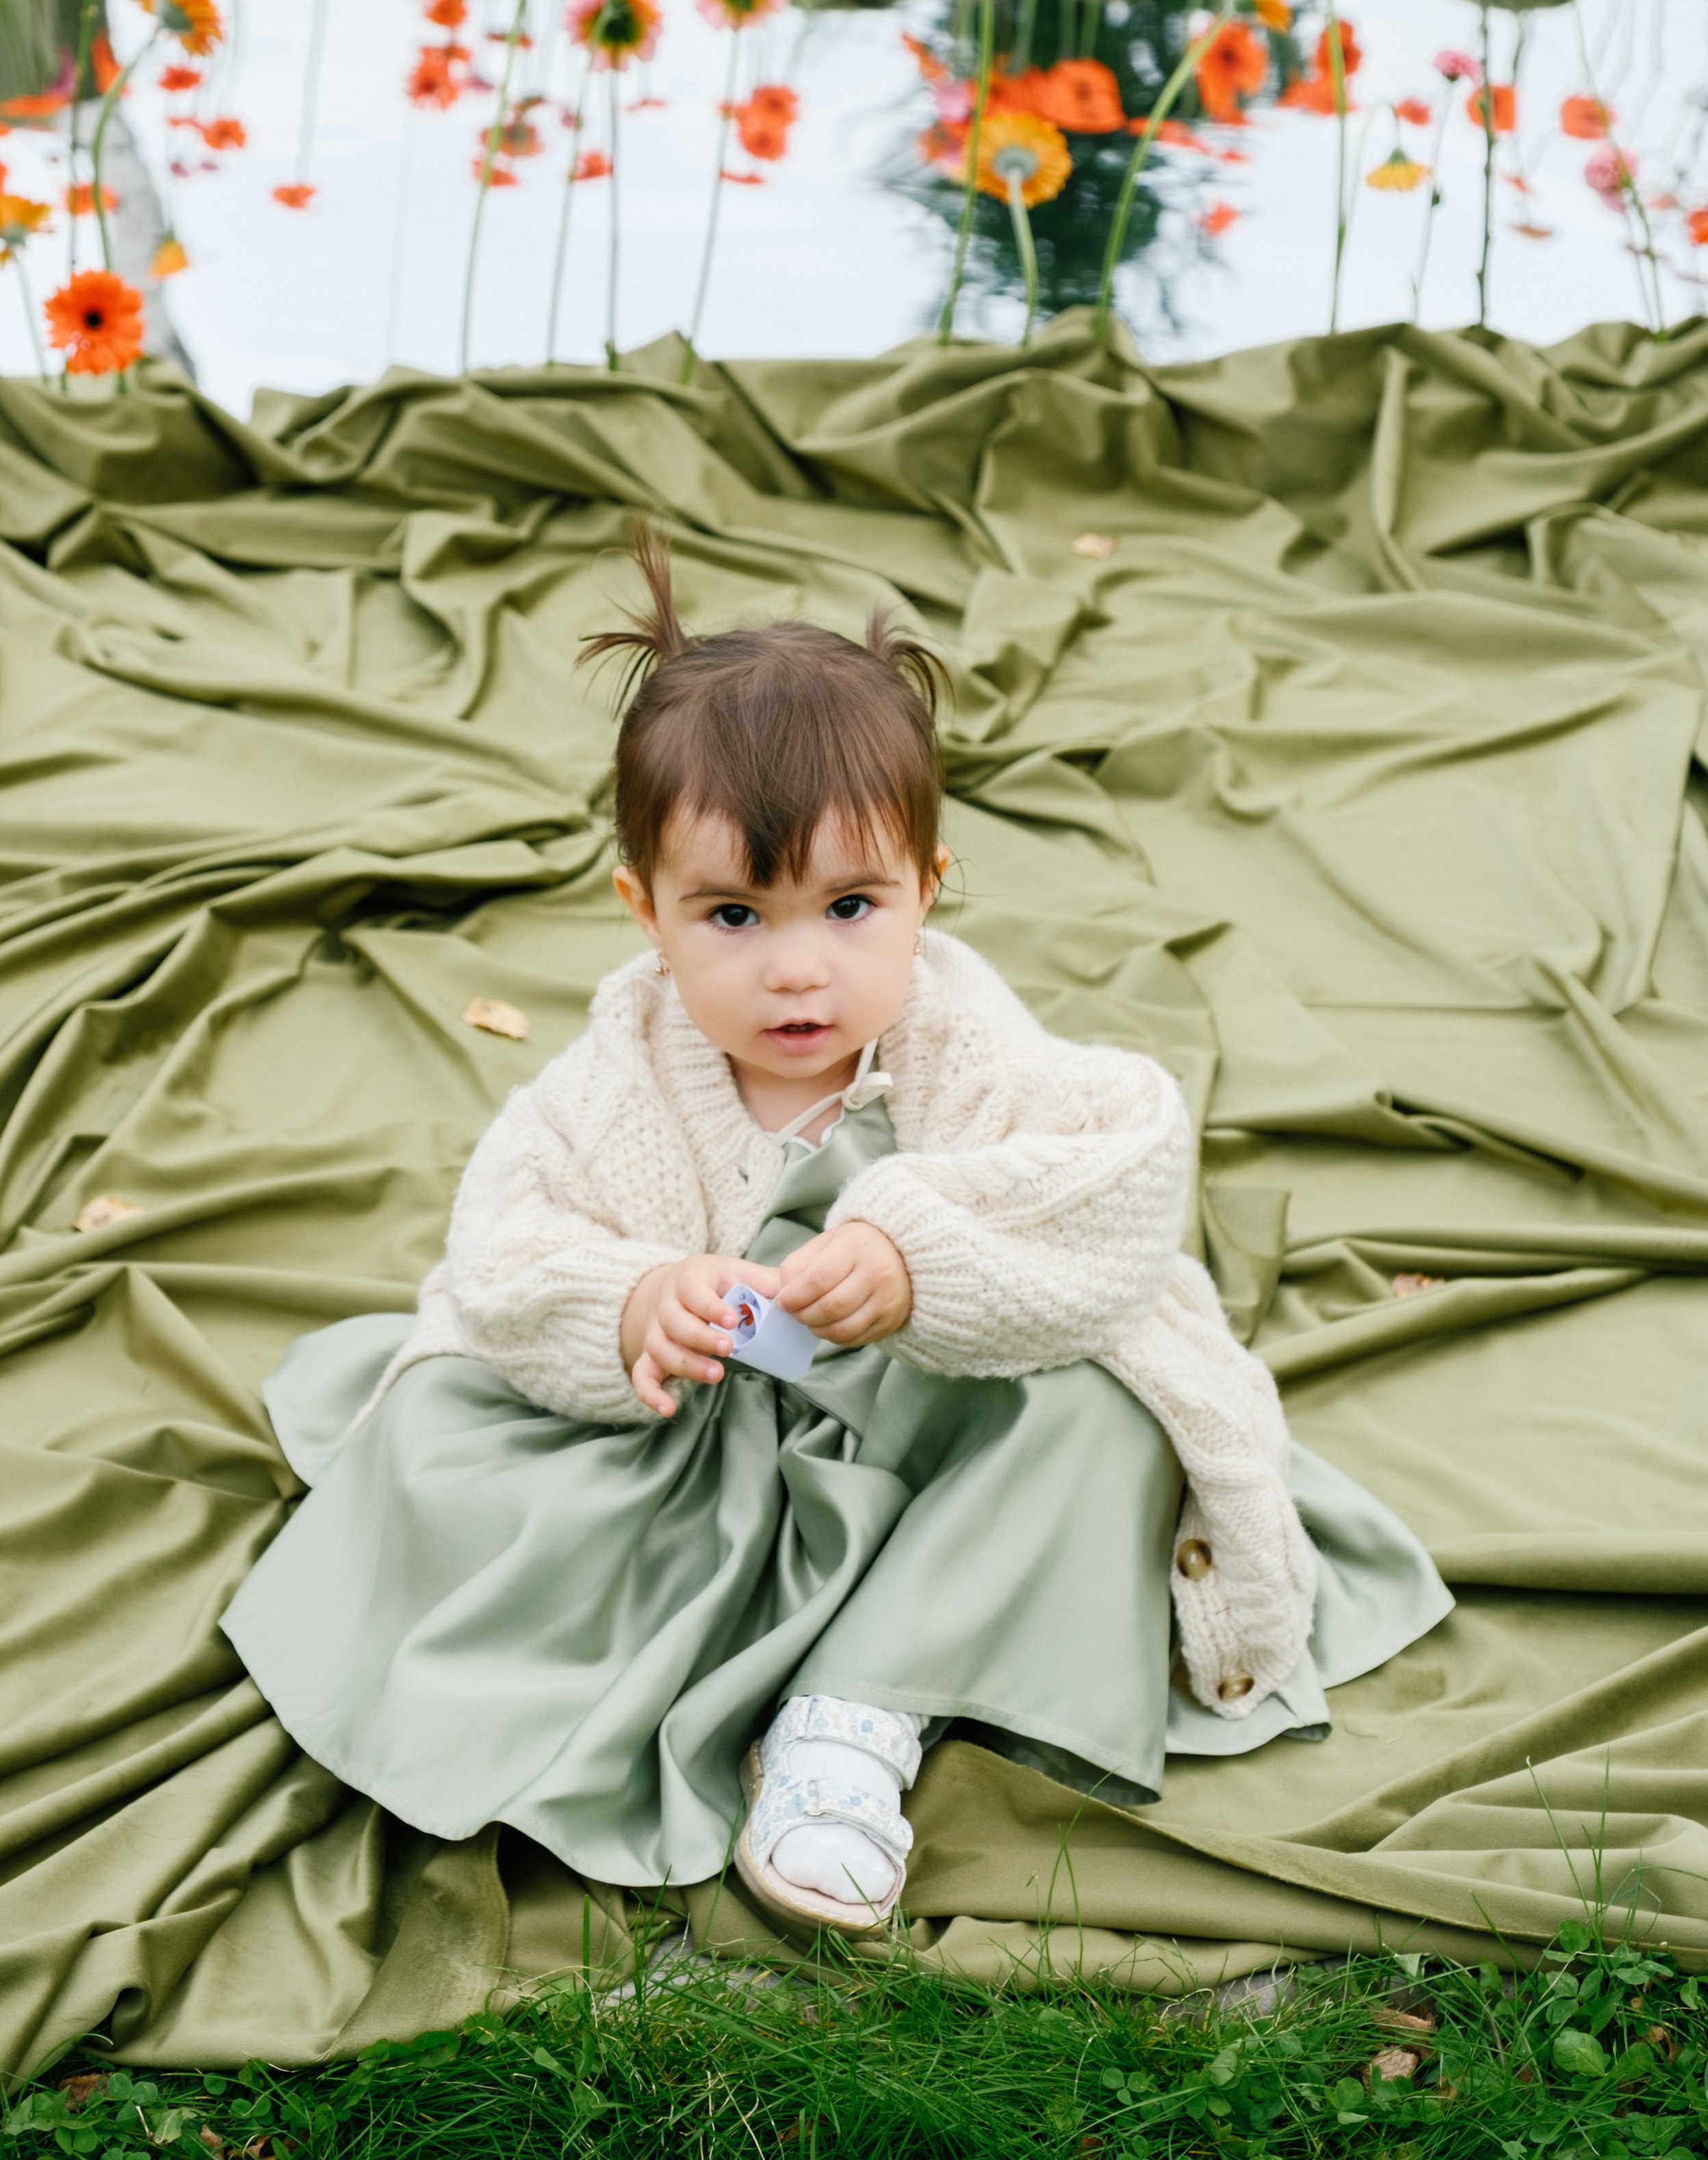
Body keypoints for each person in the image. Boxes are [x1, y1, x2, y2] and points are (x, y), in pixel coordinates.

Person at [222, 533, 1450, 1936]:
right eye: (734, 915)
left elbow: (1118, 1169)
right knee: (451, 1439)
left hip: (933, 1430)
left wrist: (927, 1257)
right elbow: (506, 1242)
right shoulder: (618, 1073)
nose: (798, 967)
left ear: (927, 886)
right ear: (648, 913)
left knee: (1109, 1426)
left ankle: (853, 1718)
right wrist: (635, 1299)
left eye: (850, 908)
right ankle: (742, 1657)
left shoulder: (960, 1037)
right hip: (712, 1445)